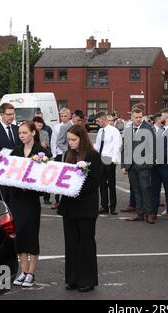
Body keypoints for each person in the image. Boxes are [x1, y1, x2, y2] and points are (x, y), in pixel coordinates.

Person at [58, 125, 101, 292]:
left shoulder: (93, 155)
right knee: (71, 244)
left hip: (85, 207)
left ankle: (87, 280)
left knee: (86, 244)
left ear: (82, 139)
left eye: (73, 140)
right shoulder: (69, 155)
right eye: (69, 140)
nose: (70, 143)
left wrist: (74, 188)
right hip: (69, 207)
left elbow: (94, 181)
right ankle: (73, 278)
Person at [10, 121, 51, 288]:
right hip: (16, 198)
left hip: (31, 199)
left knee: (31, 234)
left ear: (33, 133)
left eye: (25, 132)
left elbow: (47, 176)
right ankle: (23, 271)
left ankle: (31, 273)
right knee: (19, 234)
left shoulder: (41, 151)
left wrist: (40, 163)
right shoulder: (17, 150)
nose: (22, 135)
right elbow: (10, 170)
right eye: (20, 133)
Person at [122, 105, 155, 223]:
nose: (138, 119)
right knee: (136, 190)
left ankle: (150, 213)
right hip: (131, 166)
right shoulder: (128, 129)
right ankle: (139, 213)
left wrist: (148, 164)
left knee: (145, 190)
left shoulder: (148, 129)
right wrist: (124, 166)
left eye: (140, 117)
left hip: (144, 166)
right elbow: (124, 148)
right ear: (131, 117)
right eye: (136, 117)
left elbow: (153, 148)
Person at [0, 103, 21, 205]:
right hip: (4, 171)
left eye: (13, 114)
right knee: (5, 200)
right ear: (2, 114)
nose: (11, 116)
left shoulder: (17, 129)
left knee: (17, 201)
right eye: (8, 114)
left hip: (17, 170)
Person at [150, 108, 168, 223]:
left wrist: (159, 159)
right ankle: (153, 212)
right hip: (155, 165)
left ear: (167, 118)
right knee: (154, 189)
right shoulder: (160, 129)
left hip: (167, 165)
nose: (160, 119)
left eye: (161, 117)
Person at [94, 112, 122, 215]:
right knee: (102, 185)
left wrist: (114, 160)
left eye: (98, 121)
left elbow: (117, 146)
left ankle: (112, 207)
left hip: (109, 160)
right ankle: (104, 206)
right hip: (101, 160)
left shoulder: (114, 131)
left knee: (111, 184)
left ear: (103, 119)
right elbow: (97, 146)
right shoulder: (100, 131)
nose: (97, 123)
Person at [50, 108, 72, 210]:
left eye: (65, 116)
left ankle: (67, 199)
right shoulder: (56, 127)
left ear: (69, 116)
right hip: (59, 154)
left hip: (68, 154)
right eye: (61, 116)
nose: (63, 118)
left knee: (67, 176)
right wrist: (54, 154)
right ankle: (57, 200)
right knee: (58, 178)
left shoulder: (71, 126)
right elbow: (54, 141)